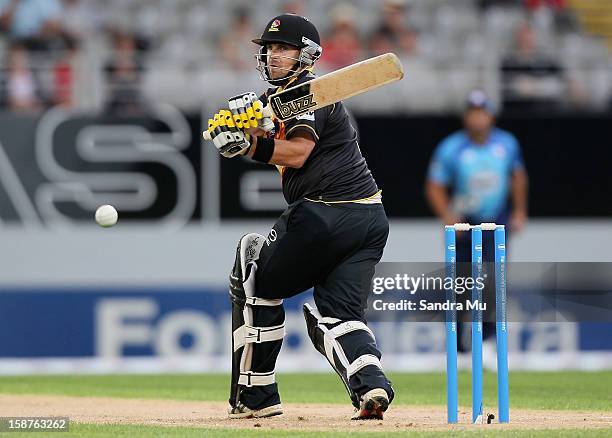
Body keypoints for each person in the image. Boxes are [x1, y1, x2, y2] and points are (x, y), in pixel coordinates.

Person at [203, 13, 394, 420]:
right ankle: (372, 385)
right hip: (369, 220)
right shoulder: (286, 101)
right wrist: (252, 128)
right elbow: (282, 136)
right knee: (337, 314)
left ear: (306, 55)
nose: (273, 56)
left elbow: (298, 152)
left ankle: (256, 399)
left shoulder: (307, 93)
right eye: (269, 49)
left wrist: (249, 147)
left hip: (324, 213)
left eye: (283, 48)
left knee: (250, 264)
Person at [426, 90, 528, 349]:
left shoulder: (506, 143)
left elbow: (517, 177)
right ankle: (459, 346)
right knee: (461, 284)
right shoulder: (452, 147)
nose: (478, 120)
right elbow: (434, 186)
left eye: (482, 114)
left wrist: (519, 211)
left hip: (495, 222)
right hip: (464, 223)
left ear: (491, 117)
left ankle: (489, 342)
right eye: (473, 114)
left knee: (494, 283)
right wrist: (447, 216)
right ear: (465, 117)